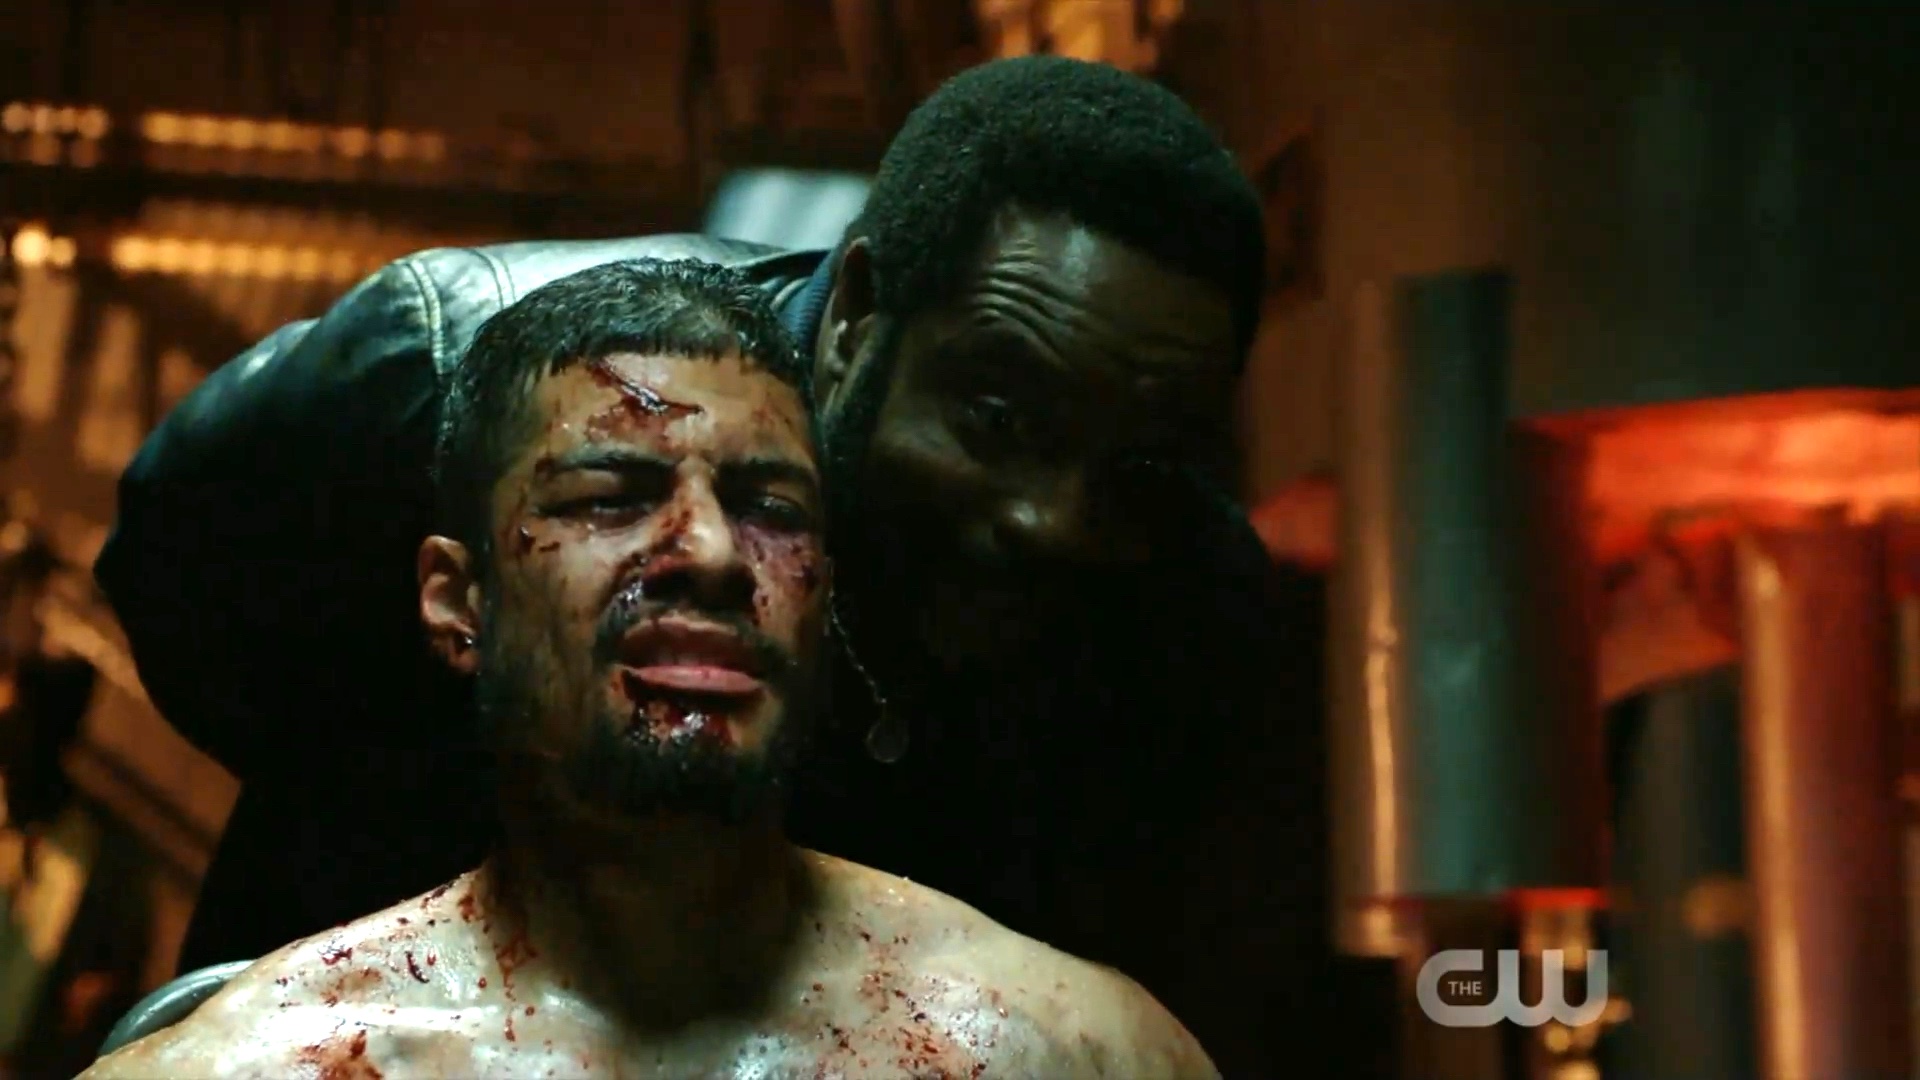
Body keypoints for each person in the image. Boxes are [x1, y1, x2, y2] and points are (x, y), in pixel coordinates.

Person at [97, 57, 1332, 1073]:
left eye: (1134, 468)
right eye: (998, 419)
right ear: (857, 318)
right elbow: (178, 575)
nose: (1051, 519)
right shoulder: (451, 373)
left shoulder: (1186, 609)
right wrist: (470, 787)